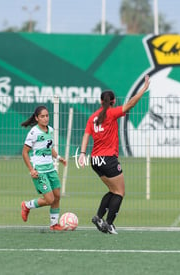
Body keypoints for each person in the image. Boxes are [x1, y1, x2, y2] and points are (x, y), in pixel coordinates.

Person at [78, 75, 150, 234]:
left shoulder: (92, 117)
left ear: (100, 101)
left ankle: (98, 217)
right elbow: (131, 103)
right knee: (120, 192)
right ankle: (109, 224)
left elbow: (85, 135)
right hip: (108, 159)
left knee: (113, 190)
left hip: (95, 160)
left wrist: (82, 153)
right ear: (113, 101)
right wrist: (144, 89)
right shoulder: (111, 113)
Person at [20, 105, 67, 231]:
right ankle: (27, 205)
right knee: (50, 199)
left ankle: (54, 224)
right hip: (39, 171)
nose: (45, 118)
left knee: (57, 196)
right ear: (36, 118)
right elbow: (25, 152)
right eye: (42, 116)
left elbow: (49, 147)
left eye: (47, 116)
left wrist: (58, 158)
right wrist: (31, 170)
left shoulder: (50, 130)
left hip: (51, 169)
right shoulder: (33, 133)